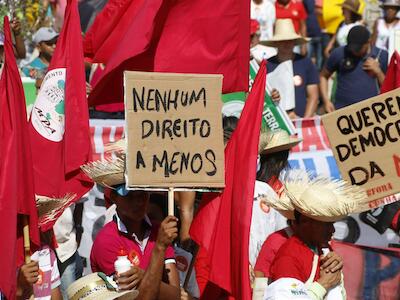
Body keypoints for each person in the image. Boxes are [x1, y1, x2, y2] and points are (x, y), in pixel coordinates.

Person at [263, 175, 371, 299]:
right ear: (304, 222)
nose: (333, 230)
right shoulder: (289, 257)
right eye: (327, 224)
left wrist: (337, 273)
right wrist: (324, 284)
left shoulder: (322, 249)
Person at [320, 25, 388, 112]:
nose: (354, 51)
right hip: (342, 112)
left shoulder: (382, 55)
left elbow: (390, 89)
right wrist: (326, 101)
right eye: (351, 48)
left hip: (372, 113)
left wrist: (378, 72)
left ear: (368, 42)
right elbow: (323, 76)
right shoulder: (339, 53)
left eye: (358, 49)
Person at [263, 19, 319, 118]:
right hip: (275, 122)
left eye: (289, 40)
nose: (286, 44)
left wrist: (304, 122)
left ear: (294, 42)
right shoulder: (266, 65)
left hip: (301, 119)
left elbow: (313, 96)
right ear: (276, 43)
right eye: (282, 41)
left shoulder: (306, 63)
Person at [303, 0, 323, 69]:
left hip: (320, 34)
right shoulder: (305, 1)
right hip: (309, 34)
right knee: (307, 58)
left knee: (320, 59)